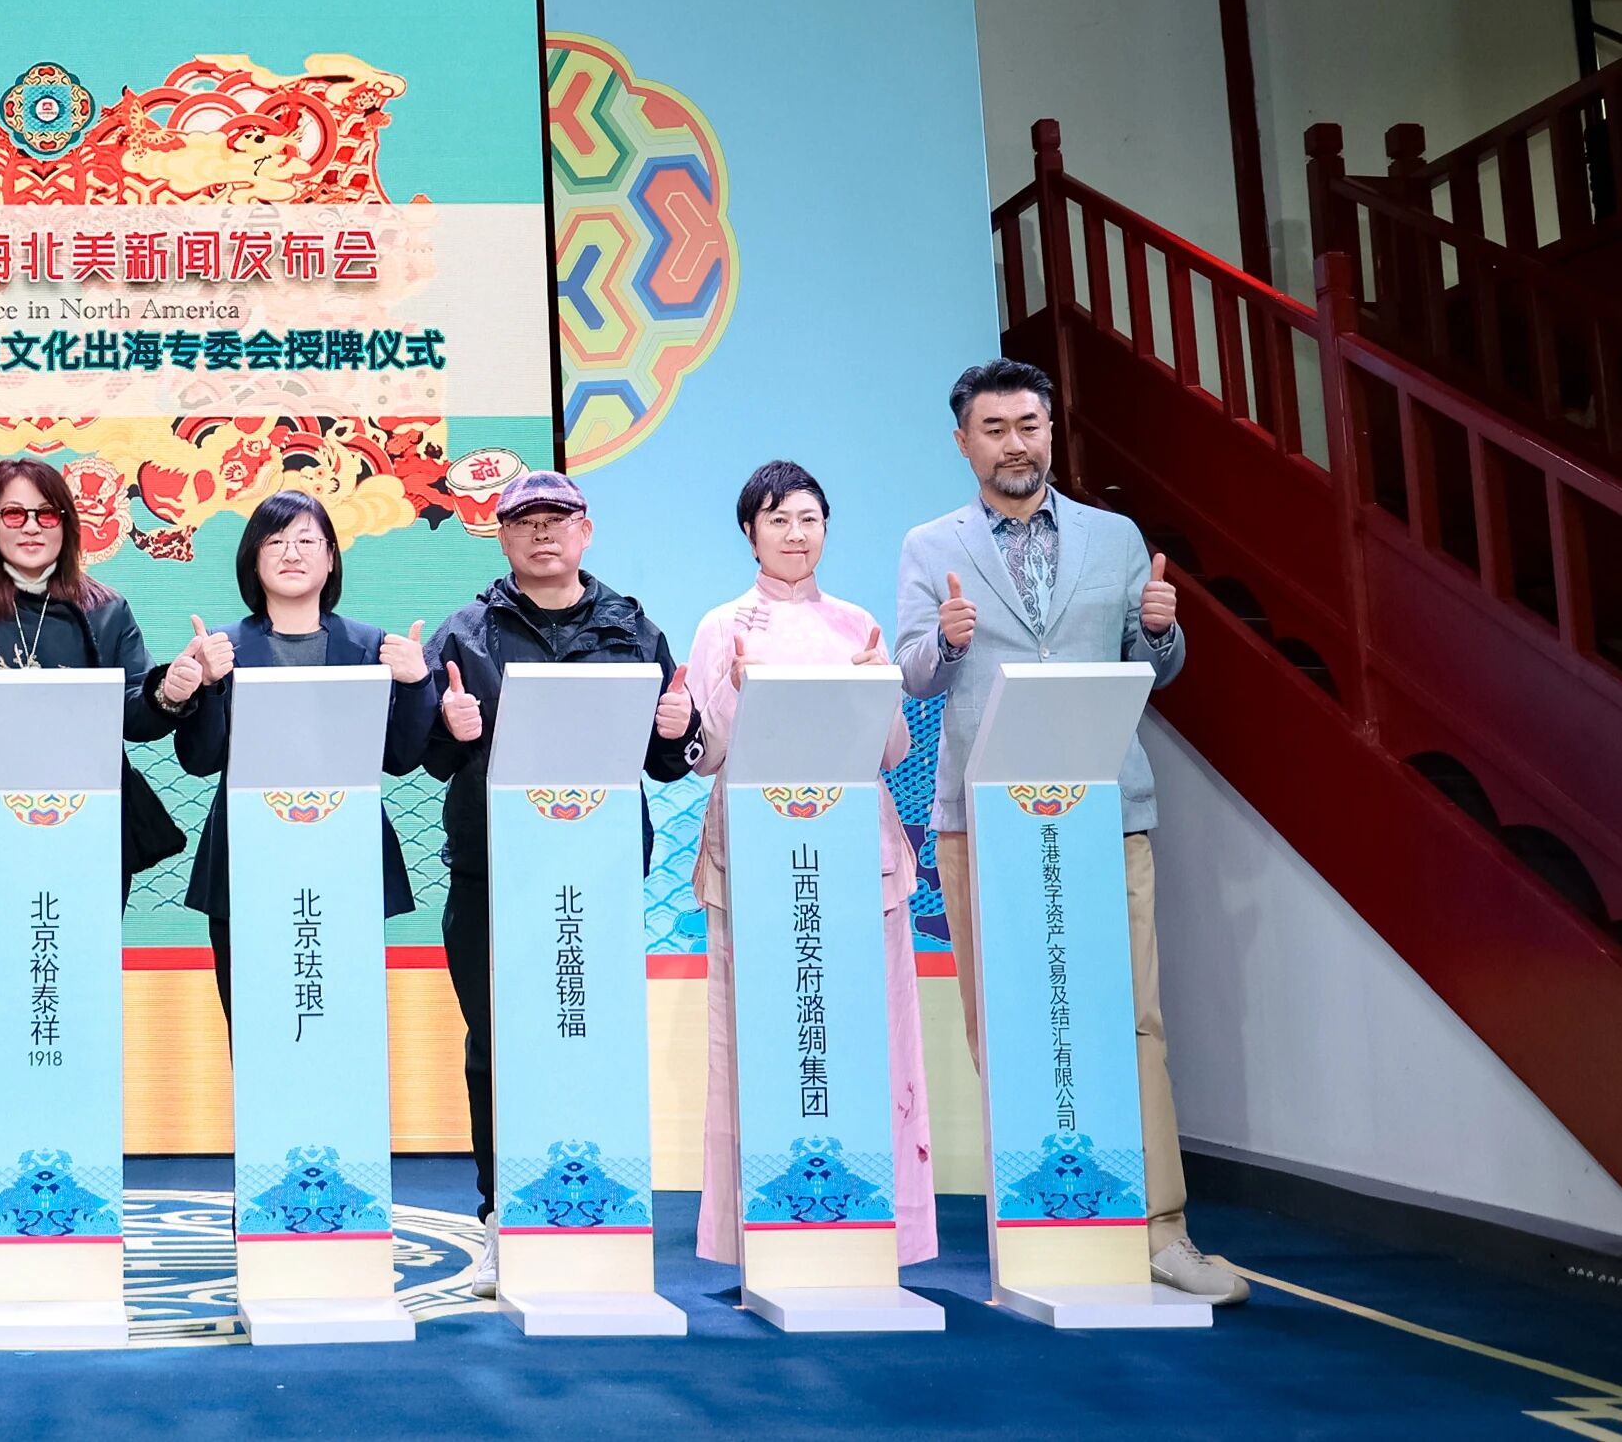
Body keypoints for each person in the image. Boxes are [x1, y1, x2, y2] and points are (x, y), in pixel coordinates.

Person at [895, 358, 1242, 1302]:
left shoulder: (1113, 536)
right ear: (962, 441)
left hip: (1103, 809)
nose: (1015, 443)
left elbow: (1150, 667)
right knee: (1004, 1018)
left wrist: (1162, 630)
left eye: (1029, 425)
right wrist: (947, 641)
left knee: (1131, 1018)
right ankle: (1040, 1223)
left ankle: (1160, 1230)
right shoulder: (929, 545)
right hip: (982, 817)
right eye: (994, 428)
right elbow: (915, 674)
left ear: (1051, 430)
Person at [424, 468, 699, 1292]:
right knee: (495, 1047)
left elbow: (667, 760)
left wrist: (679, 728)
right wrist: (448, 728)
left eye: (557, 518)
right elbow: (423, 755)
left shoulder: (631, 627)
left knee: (590, 1038)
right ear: (500, 535)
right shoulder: (465, 633)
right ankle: (498, 1217)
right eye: (524, 520)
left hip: (596, 876)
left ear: (586, 530)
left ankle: (599, 1217)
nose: (542, 532)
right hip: (491, 874)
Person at [684, 459, 934, 1272]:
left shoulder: (856, 623)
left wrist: (876, 691)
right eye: (777, 519)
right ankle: (764, 1232)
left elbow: (890, 751)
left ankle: (873, 1230)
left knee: (869, 1036)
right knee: (759, 1037)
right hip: (760, 863)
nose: (794, 534)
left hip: (856, 855)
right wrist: (735, 691)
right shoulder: (722, 624)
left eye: (807, 518)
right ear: (749, 531)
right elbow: (704, 754)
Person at [169, 489, 437, 1029]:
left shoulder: (371, 647)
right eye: (275, 542)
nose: (291, 553)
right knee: (256, 1025)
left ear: (331, 558)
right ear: (252, 558)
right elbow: (199, 761)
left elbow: (400, 758)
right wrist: (209, 686)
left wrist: (416, 685)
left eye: (307, 541)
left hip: (347, 860)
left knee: (342, 1022)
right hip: (245, 860)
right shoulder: (223, 646)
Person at [0, 455, 189, 923]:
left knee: (82, 966)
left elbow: (134, 718)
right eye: (13, 514)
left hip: (90, 826)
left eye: (47, 514)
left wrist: (171, 692)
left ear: (67, 524)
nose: (31, 527)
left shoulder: (105, 610)